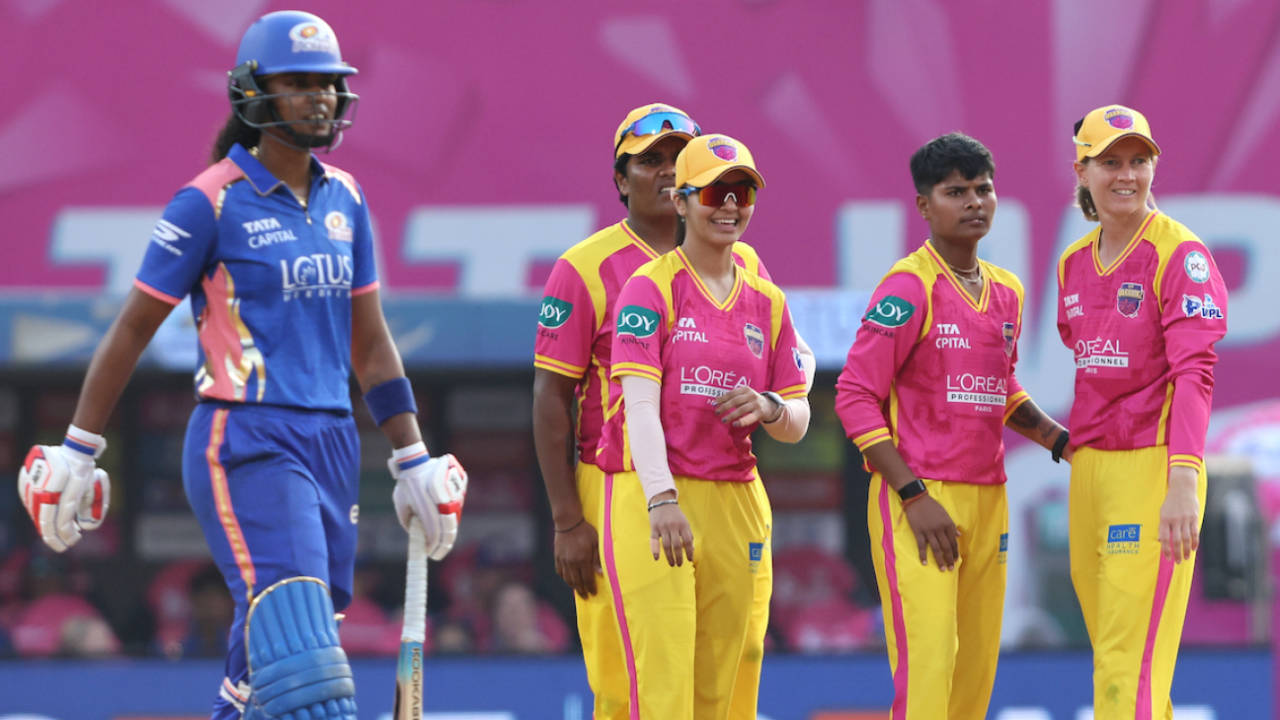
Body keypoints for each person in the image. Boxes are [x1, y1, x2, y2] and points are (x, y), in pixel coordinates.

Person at [15, 11, 467, 720]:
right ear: (254, 92)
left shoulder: (346, 198)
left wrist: (412, 456)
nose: (319, 97)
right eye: (299, 83)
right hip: (245, 440)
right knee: (304, 652)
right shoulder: (208, 201)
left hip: (332, 443)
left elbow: (371, 343)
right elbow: (132, 329)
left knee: (269, 660)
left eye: (329, 84)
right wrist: (78, 448)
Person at [532, 104, 814, 718]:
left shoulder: (746, 266)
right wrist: (566, 520)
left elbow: (795, 361)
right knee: (634, 676)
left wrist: (774, 402)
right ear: (619, 178)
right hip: (623, 482)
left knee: (729, 668)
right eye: (648, 160)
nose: (663, 172)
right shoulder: (585, 267)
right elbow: (552, 396)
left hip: (726, 484)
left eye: (675, 158)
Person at [834, 132, 1069, 719]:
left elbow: (998, 388)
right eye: (955, 191)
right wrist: (913, 496)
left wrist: (1057, 439)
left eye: (983, 189)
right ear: (924, 205)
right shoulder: (909, 286)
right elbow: (855, 396)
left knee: (974, 676)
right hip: (919, 498)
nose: (974, 203)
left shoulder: (1008, 291)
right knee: (929, 671)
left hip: (989, 499)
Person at [1059, 104, 1227, 719]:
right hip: (1090, 472)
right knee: (1114, 658)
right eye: (1110, 162)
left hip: (1155, 469)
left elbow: (1195, 373)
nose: (1126, 175)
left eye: (1139, 160)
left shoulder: (1181, 255)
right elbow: (1085, 355)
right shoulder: (1072, 262)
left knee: (1127, 671)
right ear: (1081, 171)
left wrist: (1182, 479)